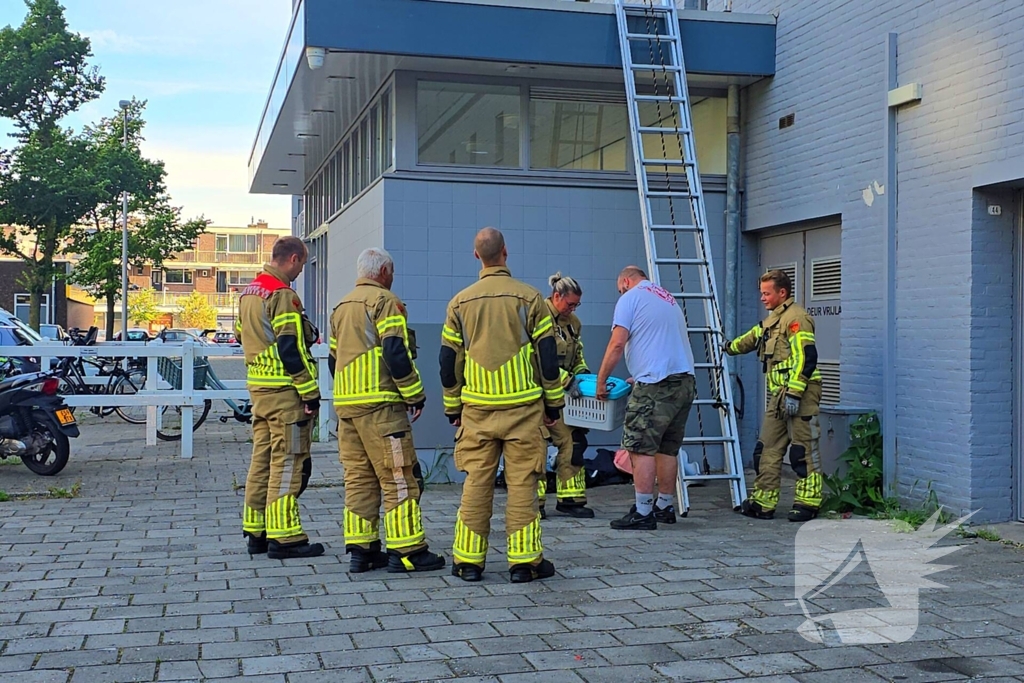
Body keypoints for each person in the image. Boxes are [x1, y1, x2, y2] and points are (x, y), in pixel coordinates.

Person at [440, 227, 565, 583]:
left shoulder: (459, 303)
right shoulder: (531, 299)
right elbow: (548, 357)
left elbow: (448, 362)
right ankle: (524, 563)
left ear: (475, 255)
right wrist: (553, 404)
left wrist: (453, 408)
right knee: (523, 483)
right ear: (505, 252)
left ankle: (467, 562)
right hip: (524, 410)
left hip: (476, 411)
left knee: (476, 483)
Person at [328, 247, 445, 574]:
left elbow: (334, 362)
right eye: (391, 274)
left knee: (359, 479)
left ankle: (362, 552)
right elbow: (395, 352)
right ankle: (407, 551)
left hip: (347, 410)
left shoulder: (340, 308)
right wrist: (414, 395)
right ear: (382, 273)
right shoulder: (385, 303)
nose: (392, 279)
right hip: (381, 409)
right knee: (399, 478)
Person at [237, 236, 324, 559]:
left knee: (261, 461)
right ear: (293, 258)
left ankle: (256, 532)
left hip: (259, 390)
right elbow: (290, 347)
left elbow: (239, 334)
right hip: (285, 391)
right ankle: (285, 537)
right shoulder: (283, 295)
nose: (300, 271)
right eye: (301, 264)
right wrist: (309, 391)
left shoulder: (248, 293)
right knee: (288, 460)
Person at [595, 266, 696, 530]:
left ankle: (642, 511)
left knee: (640, 446)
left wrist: (602, 379)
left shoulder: (630, 298)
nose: (620, 292)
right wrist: (640, 374)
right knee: (667, 446)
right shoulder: (666, 297)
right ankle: (664, 505)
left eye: (620, 288)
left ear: (626, 281)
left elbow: (617, 343)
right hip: (683, 381)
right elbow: (659, 342)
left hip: (656, 384)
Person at [726, 269, 823, 523]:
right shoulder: (772, 321)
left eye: (766, 293)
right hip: (778, 395)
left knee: (803, 451)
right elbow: (750, 339)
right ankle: (763, 502)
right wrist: (726, 347)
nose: (762, 298)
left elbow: (806, 357)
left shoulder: (797, 318)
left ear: (782, 292)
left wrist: (794, 392)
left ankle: (808, 504)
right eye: (761, 293)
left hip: (800, 394)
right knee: (766, 448)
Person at [537, 272, 594, 519]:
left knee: (573, 442)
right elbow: (536, 360)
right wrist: (567, 380)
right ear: (556, 296)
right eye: (570, 304)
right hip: (537, 396)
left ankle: (570, 499)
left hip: (564, 398)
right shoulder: (538, 319)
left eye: (576, 305)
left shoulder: (573, 323)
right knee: (535, 449)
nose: (573, 309)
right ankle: (533, 504)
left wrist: (584, 376)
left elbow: (577, 355)